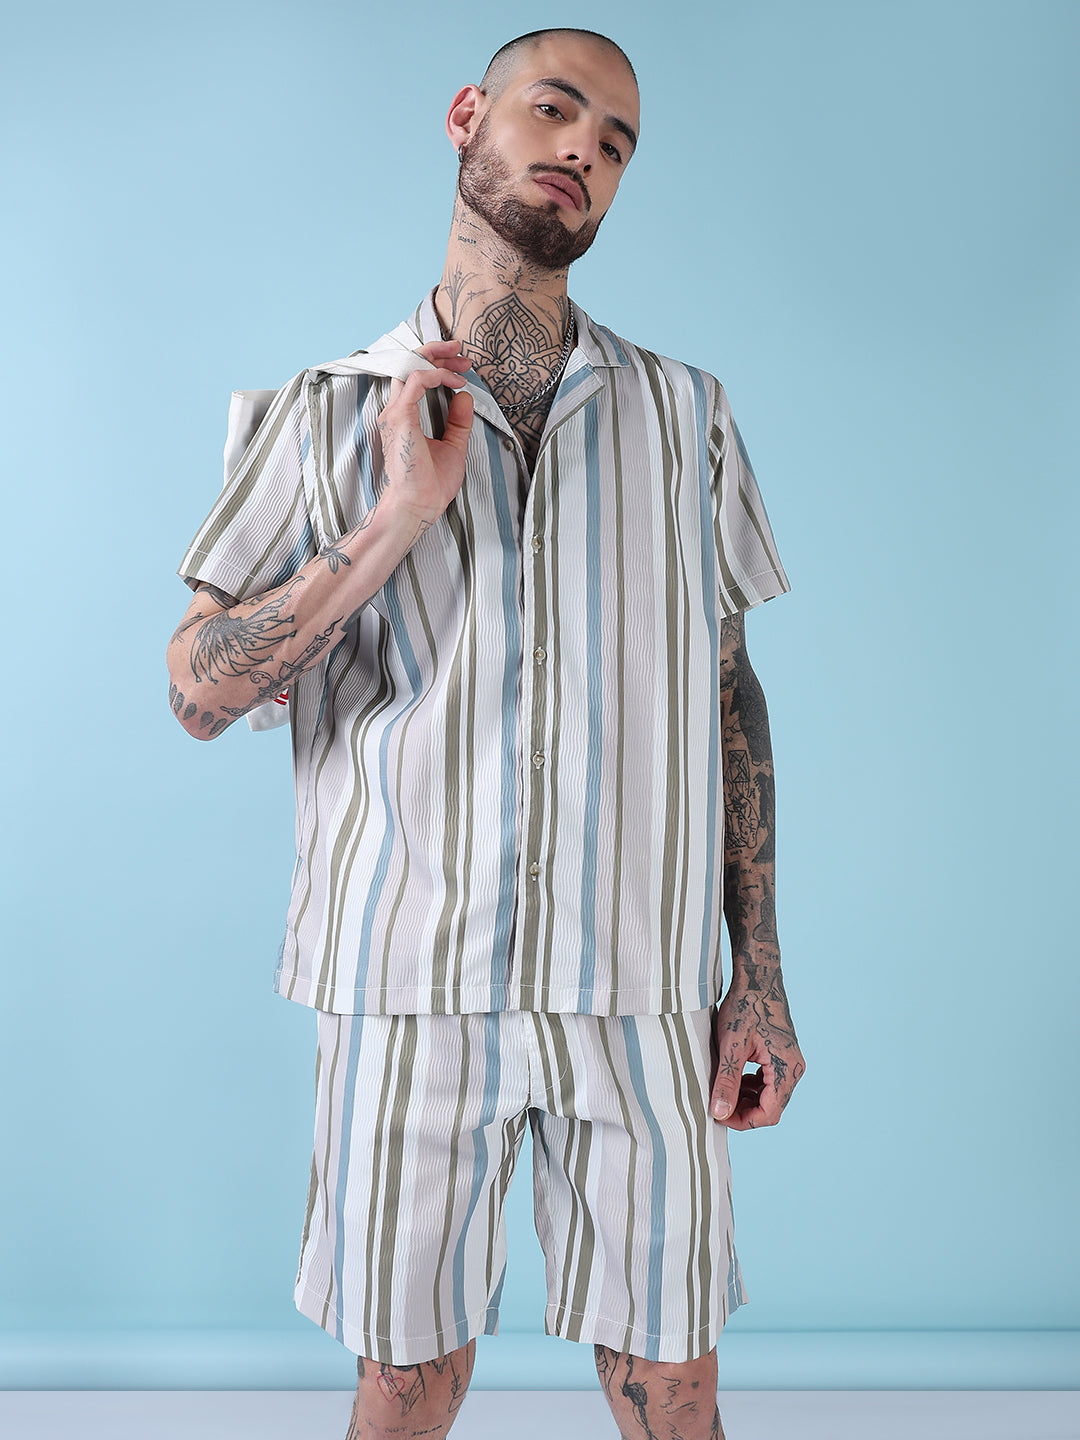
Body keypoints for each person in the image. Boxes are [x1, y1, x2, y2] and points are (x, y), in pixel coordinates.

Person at [167, 27, 805, 1440]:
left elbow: (728, 690)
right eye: (554, 109)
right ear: (468, 115)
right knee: (409, 1379)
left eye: (616, 142)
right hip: (406, 981)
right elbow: (198, 691)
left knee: (676, 1378)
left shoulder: (685, 414)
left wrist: (755, 973)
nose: (584, 148)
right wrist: (400, 511)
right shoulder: (325, 412)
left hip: (640, 986)